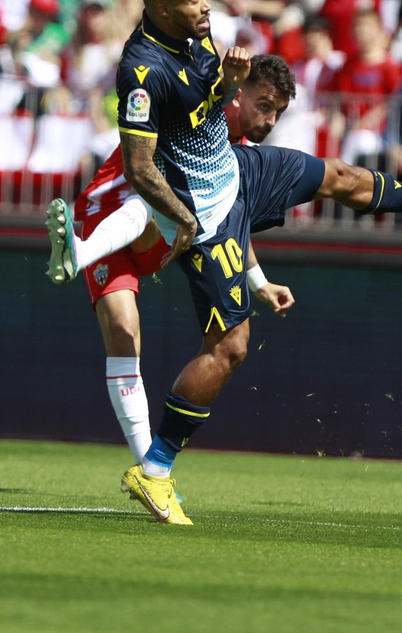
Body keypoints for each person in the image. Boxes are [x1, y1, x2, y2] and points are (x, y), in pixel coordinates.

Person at [45, 0, 402, 524]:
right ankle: (155, 468)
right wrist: (186, 220)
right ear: (161, 6)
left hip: (235, 172)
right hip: (197, 209)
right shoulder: (140, 70)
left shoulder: (198, 37)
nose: (206, 6)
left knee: (338, 175)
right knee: (230, 347)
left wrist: (229, 84)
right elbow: (141, 167)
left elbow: (205, 108)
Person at [50, 55, 301, 462]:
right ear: (237, 95)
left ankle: (76, 256)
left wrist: (260, 283)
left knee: (181, 209)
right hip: (104, 218)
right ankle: (146, 465)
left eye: (279, 112)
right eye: (265, 105)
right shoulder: (193, 114)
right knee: (124, 333)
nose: (271, 121)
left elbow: (230, 228)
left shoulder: (237, 156)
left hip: (155, 236)